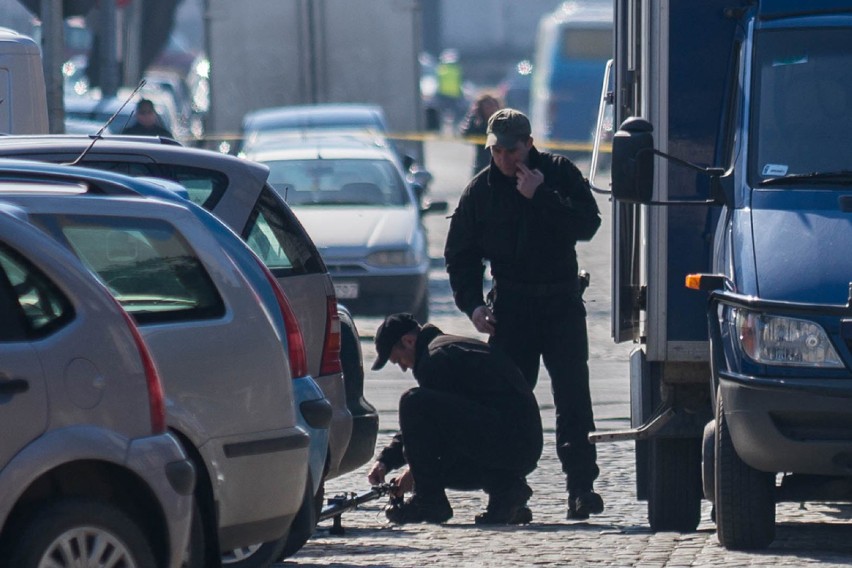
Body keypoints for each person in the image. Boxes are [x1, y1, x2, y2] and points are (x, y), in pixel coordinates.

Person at [443, 108, 605, 520]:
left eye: (511, 150)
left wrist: (542, 197)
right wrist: (474, 305)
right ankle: (508, 491)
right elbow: (460, 255)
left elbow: (587, 223)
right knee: (508, 402)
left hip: (560, 303)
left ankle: (581, 487)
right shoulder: (481, 191)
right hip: (512, 308)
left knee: (573, 398)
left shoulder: (557, 172)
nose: (503, 159)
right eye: (495, 150)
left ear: (529, 144)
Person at [367, 313, 543, 525]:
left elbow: (434, 425)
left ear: (409, 341)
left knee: (412, 401)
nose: (404, 367)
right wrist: (386, 461)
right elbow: (449, 422)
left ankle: (429, 502)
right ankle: (506, 491)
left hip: (508, 442)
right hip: (522, 446)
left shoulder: (436, 359)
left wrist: (415, 474)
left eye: (398, 359)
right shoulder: (449, 348)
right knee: (424, 424)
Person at [459, 93, 501, 174]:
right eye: (487, 107)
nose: (491, 109)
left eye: (493, 106)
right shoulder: (477, 123)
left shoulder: (502, 122)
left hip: (499, 166)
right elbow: (465, 133)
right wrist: (474, 118)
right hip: (481, 165)